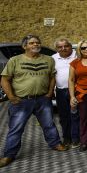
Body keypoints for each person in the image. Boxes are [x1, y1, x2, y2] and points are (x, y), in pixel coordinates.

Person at [0, 35, 67, 168]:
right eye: (31, 43)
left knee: (48, 124)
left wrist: (49, 92)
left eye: (37, 42)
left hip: (43, 99)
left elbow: (52, 77)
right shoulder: (15, 60)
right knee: (16, 128)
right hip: (21, 101)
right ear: (25, 46)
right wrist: (12, 97)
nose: (35, 45)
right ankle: (9, 155)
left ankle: (55, 143)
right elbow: (4, 79)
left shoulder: (48, 60)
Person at [52, 38, 80, 148]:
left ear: (70, 46)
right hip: (60, 91)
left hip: (76, 90)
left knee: (76, 115)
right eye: (60, 47)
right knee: (64, 116)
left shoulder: (77, 56)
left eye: (66, 46)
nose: (63, 48)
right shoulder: (53, 58)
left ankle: (76, 138)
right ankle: (67, 138)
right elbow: (51, 75)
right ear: (57, 49)